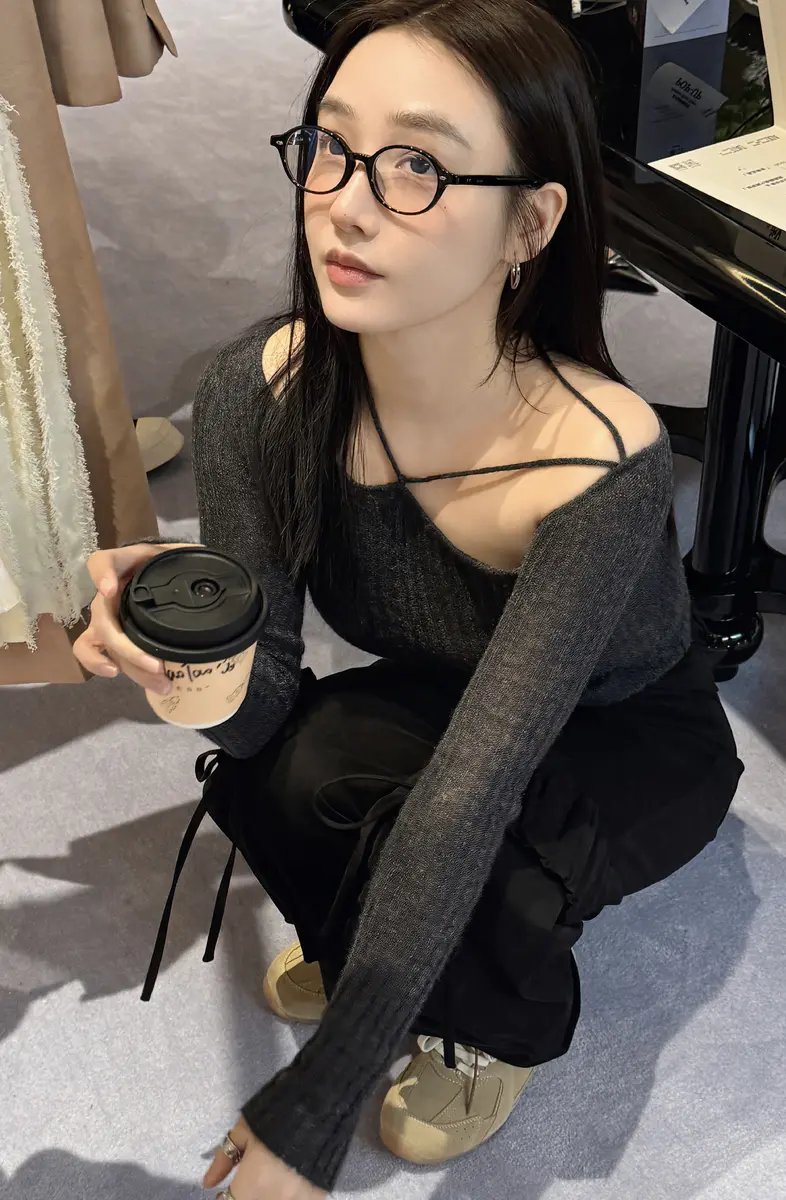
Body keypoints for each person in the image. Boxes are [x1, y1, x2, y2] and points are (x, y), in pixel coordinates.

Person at [73, 1, 744, 1196]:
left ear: (531, 222)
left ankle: (487, 1027)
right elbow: (261, 709)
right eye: (330, 145)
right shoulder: (258, 394)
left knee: (480, 850)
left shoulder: (596, 459)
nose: (345, 201)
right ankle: (379, 955)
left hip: (629, 730)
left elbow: (473, 788)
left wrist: (319, 1099)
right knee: (286, 768)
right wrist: (186, 669)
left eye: (420, 166)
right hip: (450, 685)